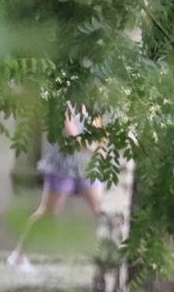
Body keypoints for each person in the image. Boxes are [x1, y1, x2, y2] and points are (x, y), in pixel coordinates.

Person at [6, 109, 103, 273]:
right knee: (49, 213)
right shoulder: (65, 103)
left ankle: (110, 258)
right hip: (63, 164)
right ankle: (19, 255)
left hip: (87, 165)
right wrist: (96, 148)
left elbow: (99, 131)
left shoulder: (93, 105)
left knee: (102, 211)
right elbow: (72, 136)